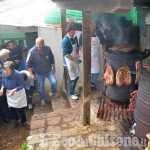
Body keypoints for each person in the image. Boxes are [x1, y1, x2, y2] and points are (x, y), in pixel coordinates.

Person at [26, 37, 59, 105]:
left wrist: (54, 68)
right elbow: (28, 64)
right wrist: (32, 74)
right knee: (40, 87)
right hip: (39, 73)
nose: (38, 46)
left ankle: (54, 92)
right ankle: (43, 99)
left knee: (54, 82)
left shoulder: (48, 49)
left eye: (40, 44)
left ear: (43, 43)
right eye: (37, 44)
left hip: (48, 70)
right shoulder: (31, 51)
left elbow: (52, 59)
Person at [79, 21, 106, 88]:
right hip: (87, 57)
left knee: (96, 71)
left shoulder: (99, 33)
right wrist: (85, 54)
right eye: (90, 27)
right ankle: (87, 86)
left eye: (93, 27)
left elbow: (103, 43)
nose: (92, 30)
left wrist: (104, 52)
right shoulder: (83, 34)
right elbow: (80, 46)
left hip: (96, 56)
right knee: (88, 72)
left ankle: (93, 85)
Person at [0, 61, 27, 126]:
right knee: (12, 108)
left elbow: (22, 84)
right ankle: (16, 118)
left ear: (12, 69)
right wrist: (2, 88)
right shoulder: (4, 73)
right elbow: (3, 82)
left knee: (20, 108)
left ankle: (23, 120)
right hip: (9, 93)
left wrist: (14, 90)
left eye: (7, 70)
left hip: (18, 92)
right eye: (4, 70)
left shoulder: (17, 74)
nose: (5, 72)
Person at [62, 23, 80, 100]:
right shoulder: (65, 41)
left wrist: (77, 53)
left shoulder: (75, 38)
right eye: (72, 32)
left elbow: (77, 47)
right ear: (67, 32)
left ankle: (71, 90)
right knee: (71, 78)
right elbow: (66, 54)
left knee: (77, 76)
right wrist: (74, 59)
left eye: (74, 32)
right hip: (68, 62)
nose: (73, 34)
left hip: (74, 60)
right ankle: (70, 93)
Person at [0, 49, 10, 124]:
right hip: (1, 83)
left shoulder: (3, 61)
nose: (8, 57)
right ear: (4, 55)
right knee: (2, 100)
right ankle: (5, 118)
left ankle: (9, 115)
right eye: (7, 55)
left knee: (6, 99)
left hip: (4, 82)